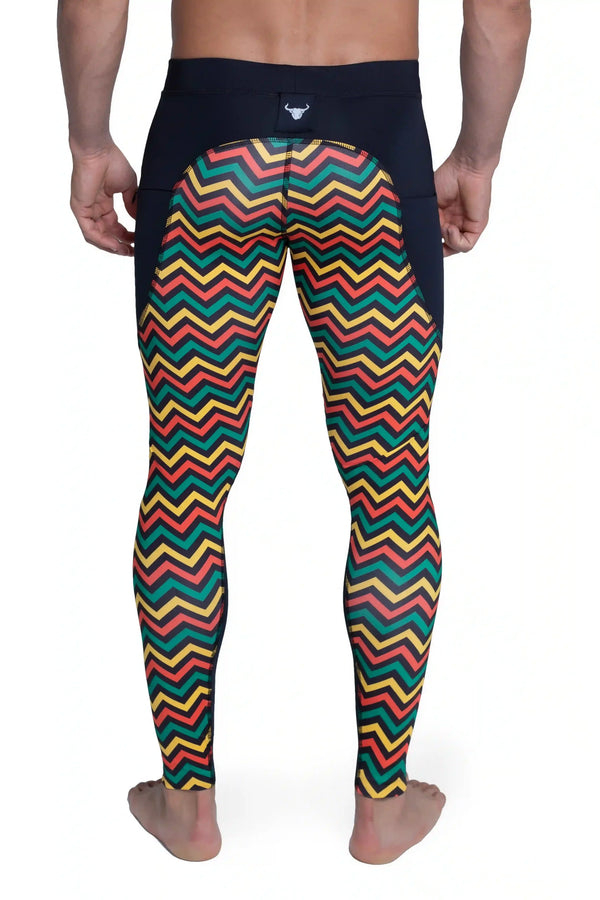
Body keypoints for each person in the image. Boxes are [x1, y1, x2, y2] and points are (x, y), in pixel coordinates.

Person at [57, 0, 531, 865]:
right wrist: (477, 156)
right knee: (391, 494)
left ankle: (187, 805)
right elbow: (499, 13)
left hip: (209, 147)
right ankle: (381, 809)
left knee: (185, 487)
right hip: (372, 155)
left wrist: (90, 144)